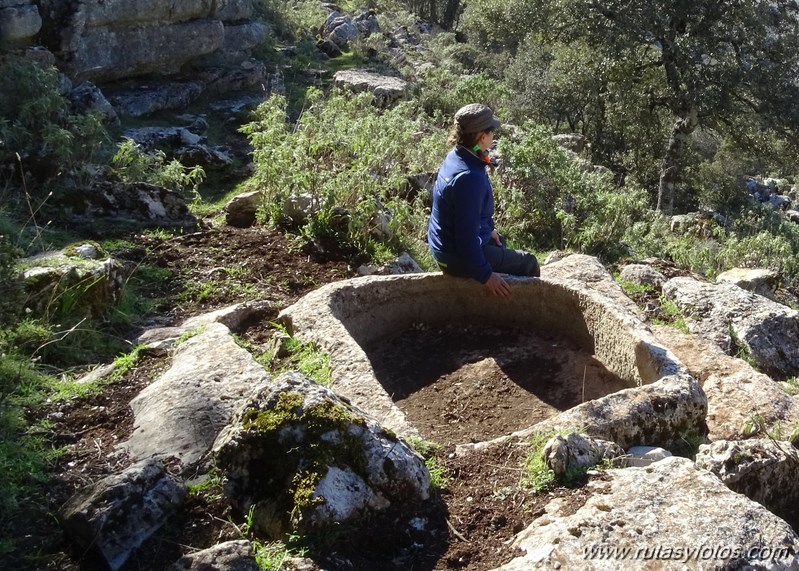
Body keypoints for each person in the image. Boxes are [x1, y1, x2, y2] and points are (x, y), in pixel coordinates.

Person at [427, 103, 540, 297]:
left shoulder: (458, 155)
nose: (493, 135)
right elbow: (465, 239)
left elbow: (465, 214)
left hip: (444, 246)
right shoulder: (470, 178)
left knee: (499, 242)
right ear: (482, 136)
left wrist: (489, 230)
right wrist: (486, 275)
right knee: (528, 263)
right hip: (454, 256)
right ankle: (521, 313)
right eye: (491, 131)